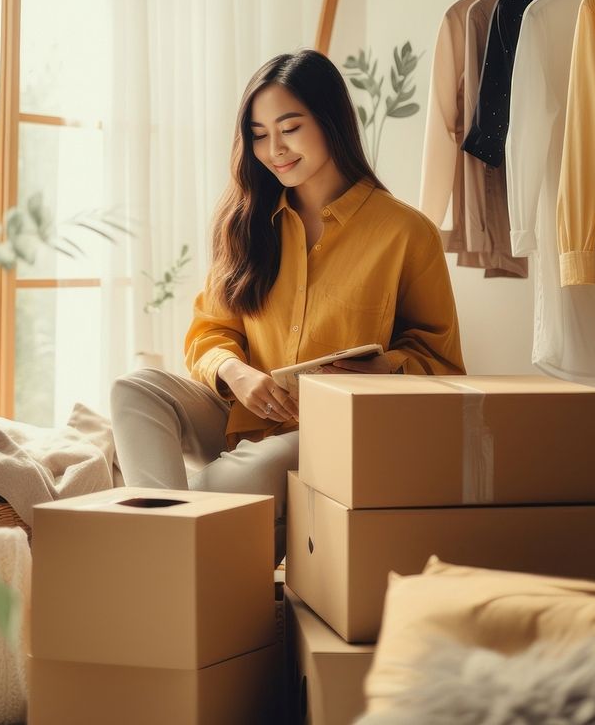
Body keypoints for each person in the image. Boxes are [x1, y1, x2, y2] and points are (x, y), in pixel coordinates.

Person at [110, 49, 465, 564]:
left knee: (236, 477)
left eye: (289, 127)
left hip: (330, 428)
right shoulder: (245, 222)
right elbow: (210, 332)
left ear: (330, 121)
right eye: (258, 134)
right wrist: (236, 374)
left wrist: (385, 366)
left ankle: (164, 543)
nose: (273, 149)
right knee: (135, 391)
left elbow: (444, 362)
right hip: (244, 410)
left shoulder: (407, 233)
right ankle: (179, 551)